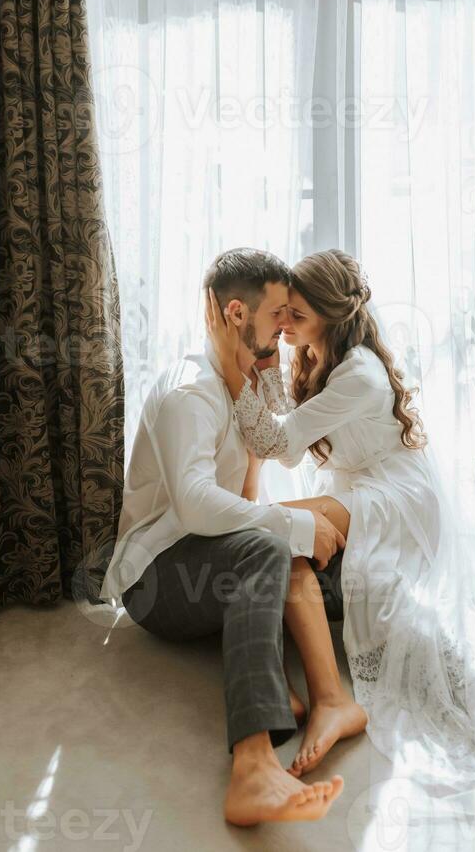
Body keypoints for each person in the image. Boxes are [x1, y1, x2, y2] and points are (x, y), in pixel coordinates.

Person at [205, 248, 475, 798]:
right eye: (282, 312)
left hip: (394, 494)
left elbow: (277, 442)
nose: (283, 322)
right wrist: (261, 367)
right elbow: (286, 438)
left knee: (271, 528)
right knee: (383, 596)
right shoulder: (313, 352)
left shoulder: (358, 373)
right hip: (362, 487)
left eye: (295, 314)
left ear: (330, 313)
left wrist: (232, 366)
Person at [97, 248, 346, 827]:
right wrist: (293, 527)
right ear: (236, 313)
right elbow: (198, 507)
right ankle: (253, 766)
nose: (288, 327)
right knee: (270, 544)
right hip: (157, 577)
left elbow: (258, 465)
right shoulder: (191, 391)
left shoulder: (247, 381)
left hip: (211, 554)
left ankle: (329, 682)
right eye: (279, 313)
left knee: (336, 523)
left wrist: (303, 525)